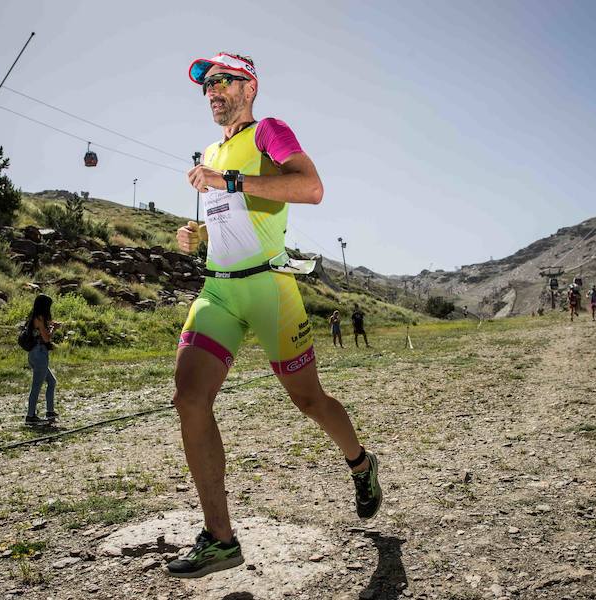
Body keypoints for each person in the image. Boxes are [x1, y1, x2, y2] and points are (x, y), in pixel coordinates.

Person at [169, 52, 382, 578]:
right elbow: (230, 219)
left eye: (222, 81)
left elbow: (310, 188)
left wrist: (230, 182)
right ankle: (221, 539)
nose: (212, 91)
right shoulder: (215, 150)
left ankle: (360, 463)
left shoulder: (269, 130)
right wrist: (196, 237)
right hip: (219, 290)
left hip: (270, 288)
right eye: (206, 86)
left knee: (309, 400)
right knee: (189, 398)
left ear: (249, 86)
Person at [24, 294, 58, 425]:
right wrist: (54, 329)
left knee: (52, 381)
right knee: (36, 386)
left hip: (34, 354)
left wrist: (50, 326)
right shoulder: (40, 318)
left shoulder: (34, 317)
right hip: (39, 355)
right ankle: (30, 415)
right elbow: (46, 338)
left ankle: (50, 411)